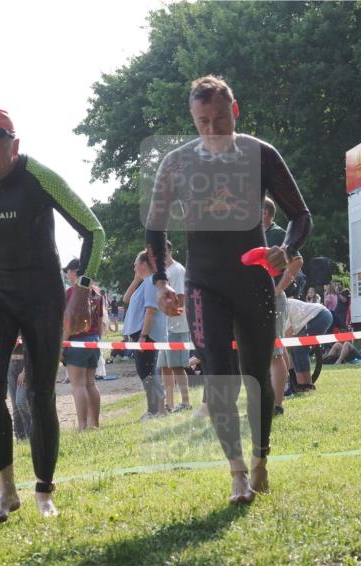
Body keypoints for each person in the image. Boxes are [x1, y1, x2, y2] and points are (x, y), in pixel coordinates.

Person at [146, 75, 312, 504]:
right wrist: (162, 282)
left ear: (234, 110)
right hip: (204, 283)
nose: (213, 129)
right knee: (219, 377)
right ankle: (237, 471)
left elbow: (301, 215)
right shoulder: (177, 162)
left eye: (220, 119)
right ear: (192, 119)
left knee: (257, 376)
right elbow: (156, 225)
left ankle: (260, 458)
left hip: (253, 279)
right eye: (203, 122)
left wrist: (285, 249)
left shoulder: (261, 154)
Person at [0, 107, 104, 522]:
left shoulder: (38, 177)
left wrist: (82, 291)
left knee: (39, 394)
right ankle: (6, 489)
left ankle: (44, 490)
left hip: (42, 295)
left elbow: (94, 230)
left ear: (15, 146)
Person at [263, 196, 302, 420]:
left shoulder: (277, 234)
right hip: (255, 299)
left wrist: (279, 288)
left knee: (275, 352)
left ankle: (277, 404)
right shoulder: (253, 235)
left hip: (273, 299)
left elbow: (297, 260)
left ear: (266, 213)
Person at [123, 250, 168, 419]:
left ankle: (155, 409)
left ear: (143, 264)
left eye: (135, 263)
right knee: (145, 372)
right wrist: (135, 280)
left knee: (147, 372)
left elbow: (151, 310)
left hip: (145, 335)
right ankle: (154, 408)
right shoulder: (144, 282)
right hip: (140, 334)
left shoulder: (151, 283)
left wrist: (143, 335)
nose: (133, 266)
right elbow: (126, 299)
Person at [62, 258, 103, 430]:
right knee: (91, 384)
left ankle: (82, 425)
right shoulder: (96, 293)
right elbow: (100, 322)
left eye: (68, 271)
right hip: (93, 340)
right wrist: (97, 339)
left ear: (74, 272)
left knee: (78, 385)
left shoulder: (71, 293)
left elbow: (68, 322)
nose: (66, 274)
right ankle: (94, 423)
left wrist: (62, 345)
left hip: (76, 342)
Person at [155, 240, 192, 413]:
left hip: (177, 325)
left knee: (177, 366)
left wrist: (168, 313)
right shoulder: (162, 273)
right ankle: (169, 404)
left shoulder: (177, 270)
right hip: (165, 328)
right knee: (165, 367)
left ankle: (185, 402)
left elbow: (181, 299)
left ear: (168, 251)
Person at [285, 297, 333, 391]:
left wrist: (283, 365)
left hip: (321, 315)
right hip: (318, 315)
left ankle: (307, 385)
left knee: (299, 349)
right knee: (295, 350)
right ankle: (299, 385)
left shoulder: (281, 308)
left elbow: (288, 337)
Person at [7, 341, 31, 440]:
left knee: (21, 401)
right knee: (15, 406)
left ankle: (30, 432)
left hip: (25, 363)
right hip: (11, 365)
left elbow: (33, 348)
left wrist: (25, 370)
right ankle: (20, 437)